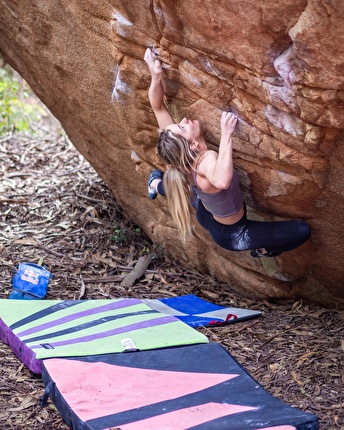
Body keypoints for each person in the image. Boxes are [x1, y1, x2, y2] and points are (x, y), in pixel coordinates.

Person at [144, 47, 311, 258]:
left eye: (179, 124)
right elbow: (222, 181)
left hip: (205, 212)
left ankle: (155, 183)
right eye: (183, 128)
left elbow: (158, 107)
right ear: (194, 146)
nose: (183, 120)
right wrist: (226, 135)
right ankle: (264, 249)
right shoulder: (206, 160)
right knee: (302, 231)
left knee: (182, 186)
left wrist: (155, 75)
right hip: (234, 234)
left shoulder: (180, 158)